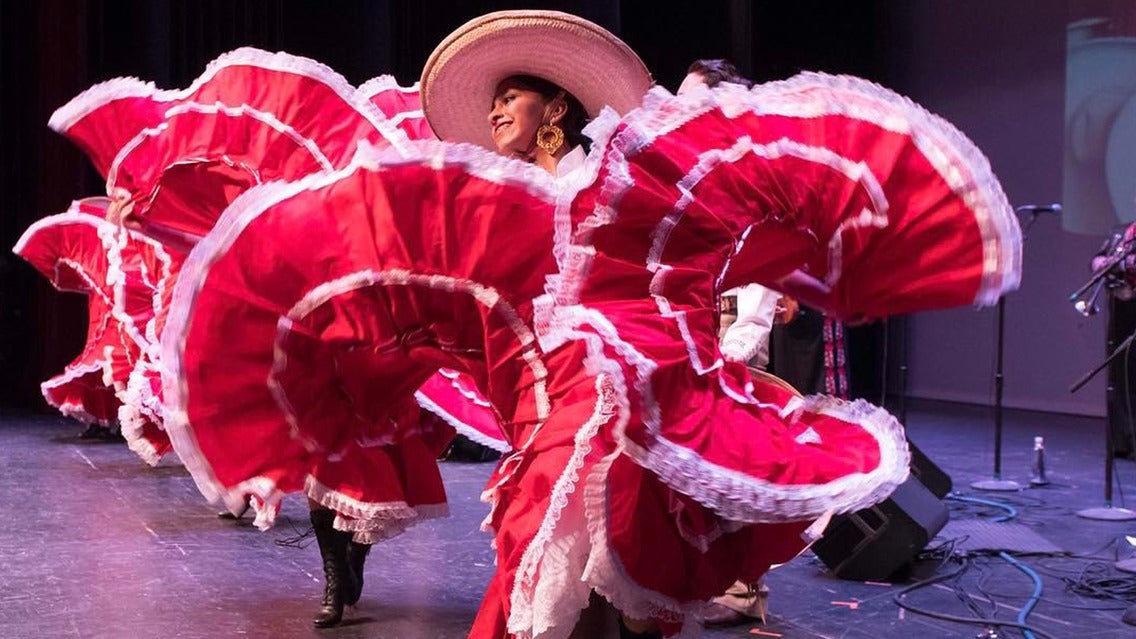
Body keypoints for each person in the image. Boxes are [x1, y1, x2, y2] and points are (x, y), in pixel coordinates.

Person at [51, 10, 1021, 639]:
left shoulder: (612, 190)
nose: (497, 115)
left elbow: (705, 263)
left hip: (618, 407)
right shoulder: (477, 200)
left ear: (553, 106)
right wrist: (171, 215)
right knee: (558, 573)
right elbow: (338, 239)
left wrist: (742, 326)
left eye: (510, 98)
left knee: (601, 579)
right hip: (542, 405)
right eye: (495, 102)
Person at [1089, 221, 1136, 459]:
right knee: (1119, 376)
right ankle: (1121, 441)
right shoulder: (1125, 233)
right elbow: (1097, 258)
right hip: (1122, 310)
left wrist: (1127, 264)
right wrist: (1102, 263)